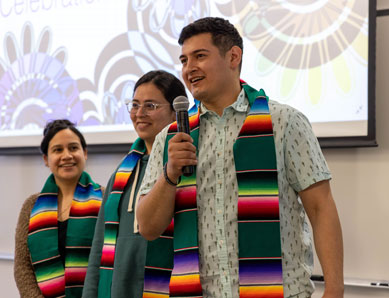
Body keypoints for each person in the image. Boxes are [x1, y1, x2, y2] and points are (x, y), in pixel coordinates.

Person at [137, 17, 344, 298]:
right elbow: (148, 228)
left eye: (200, 56)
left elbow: (321, 208)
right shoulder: (171, 138)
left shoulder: (283, 122)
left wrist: (334, 290)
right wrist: (170, 171)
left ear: (233, 56)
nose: (189, 69)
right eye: (184, 60)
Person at [82, 70, 186, 298]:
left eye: (151, 106)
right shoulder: (122, 173)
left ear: (175, 112)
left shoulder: (187, 168)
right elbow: (99, 247)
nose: (139, 114)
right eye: (135, 105)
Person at [14, 119, 103, 298]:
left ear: (84, 153)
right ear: (46, 159)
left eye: (73, 148)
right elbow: (22, 267)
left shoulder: (106, 199)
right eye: (57, 150)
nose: (67, 156)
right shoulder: (31, 206)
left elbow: (113, 260)